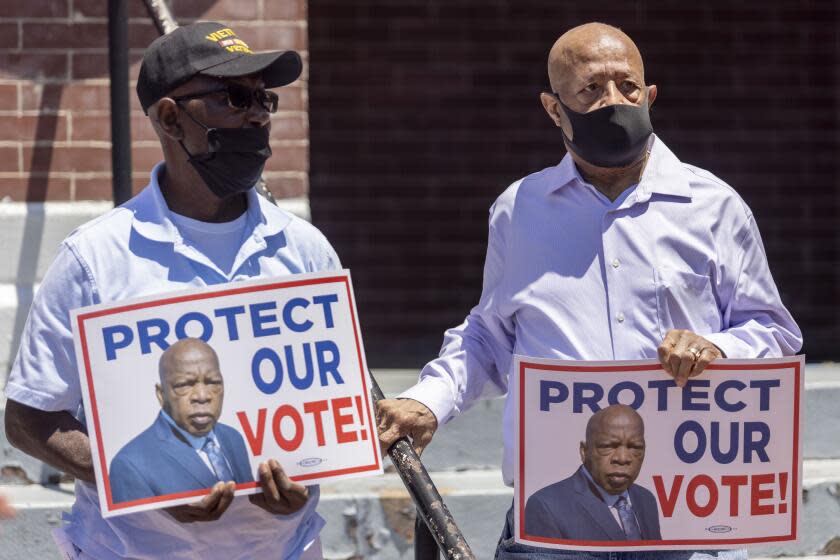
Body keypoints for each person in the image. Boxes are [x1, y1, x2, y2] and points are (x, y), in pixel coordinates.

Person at [376, 22, 802, 560]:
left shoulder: (714, 206)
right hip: (554, 526)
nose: (613, 102)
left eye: (627, 87)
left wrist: (718, 349)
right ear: (554, 109)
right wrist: (427, 402)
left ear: (650, 95)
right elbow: (489, 335)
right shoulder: (520, 210)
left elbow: (773, 333)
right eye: (590, 90)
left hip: (690, 526)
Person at [4, 22, 337, 559]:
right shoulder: (94, 259)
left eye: (264, 99)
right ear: (168, 117)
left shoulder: (305, 250)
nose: (257, 114)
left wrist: (310, 475)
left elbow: (328, 406)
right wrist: (138, 480)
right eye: (235, 97)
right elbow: (28, 418)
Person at [109, 338, 253, 503]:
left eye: (213, 382)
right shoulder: (130, 465)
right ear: (161, 394)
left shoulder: (233, 437)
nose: (202, 396)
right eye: (184, 385)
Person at [524, 404, 660, 541]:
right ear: (584, 451)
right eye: (607, 446)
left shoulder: (646, 499)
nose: (623, 458)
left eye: (635, 447)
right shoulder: (547, 506)